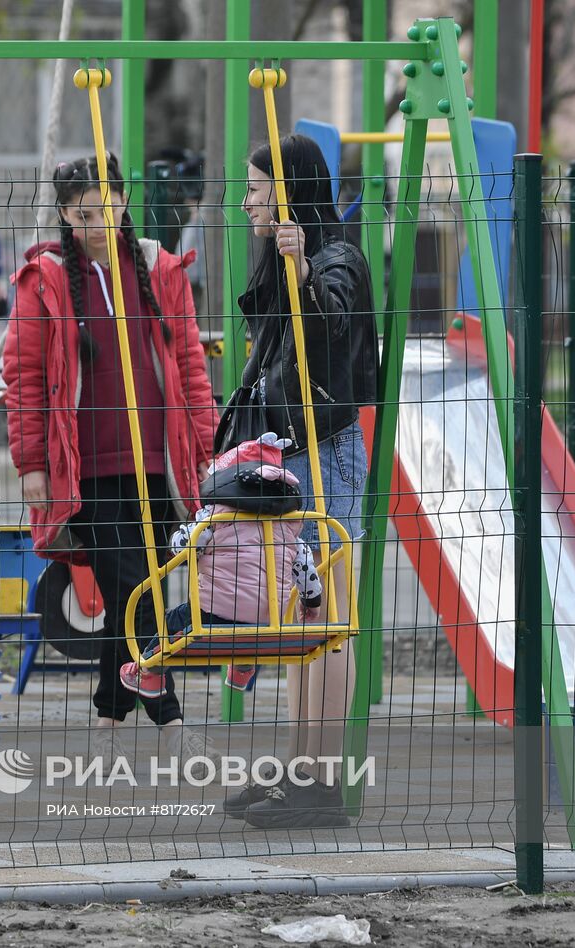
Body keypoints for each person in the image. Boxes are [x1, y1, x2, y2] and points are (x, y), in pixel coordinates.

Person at [2, 154, 219, 745]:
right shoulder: (44, 278)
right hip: (85, 466)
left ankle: (109, 715)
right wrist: (31, 465)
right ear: (67, 216)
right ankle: (166, 709)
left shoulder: (156, 267)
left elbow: (190, 365)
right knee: (132, 584)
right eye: (83, 212)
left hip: (156, 459)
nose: (99, 220)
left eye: (108, 205)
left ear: (125, 199)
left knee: (145, 579)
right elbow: (22, 375)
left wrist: (205, 441)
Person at [220, 133, 378, 830]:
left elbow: (333, 329)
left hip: (328, 451)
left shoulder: (337, 257)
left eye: (256, 187)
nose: (246, 199)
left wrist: (304, 268)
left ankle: (324, 776)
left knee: (330, 620)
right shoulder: (277, 258)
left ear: (286, 192)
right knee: (301, 619)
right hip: (291, 451)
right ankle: (298, 767)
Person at [118, 433, 323, 700]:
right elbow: (306, 572)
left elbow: (183, 546)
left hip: (212, 615)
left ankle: (148, 673)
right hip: (268, 618)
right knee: (249, 633)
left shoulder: (213, 519)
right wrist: (311, 603)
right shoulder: (289, 529)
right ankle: (242, 669)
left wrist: (175, 539)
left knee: (173, 622)